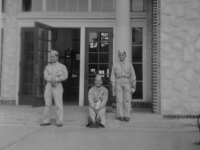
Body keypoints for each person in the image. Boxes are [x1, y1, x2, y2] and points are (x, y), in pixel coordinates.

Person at [40, 50, 68, 127]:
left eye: (53, 56)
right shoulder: (48, 67)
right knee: (47, 103)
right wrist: (51, 80)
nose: (51, 58)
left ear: (57, 57)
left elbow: (65, 76)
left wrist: (56, 80)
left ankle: (59, 121)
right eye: (50, 56)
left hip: (58, 86)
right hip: (49, 85)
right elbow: (45, 75)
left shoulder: (62, 66)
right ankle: (46, 121)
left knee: (58, 103)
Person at [110, 50, 136, 122]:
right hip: (118, 82)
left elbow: (133, 75)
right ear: (118, 56)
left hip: (127, 82)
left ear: (125, 56)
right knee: (119, 99)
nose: (121, 56)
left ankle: (127, 115)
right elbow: (112, 75)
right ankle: (120, 115)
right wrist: (113, 84)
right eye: (120, 55)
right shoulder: (115, 65)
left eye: (122, 55)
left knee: (127, 99)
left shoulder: (129, 65)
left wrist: (134, 85)